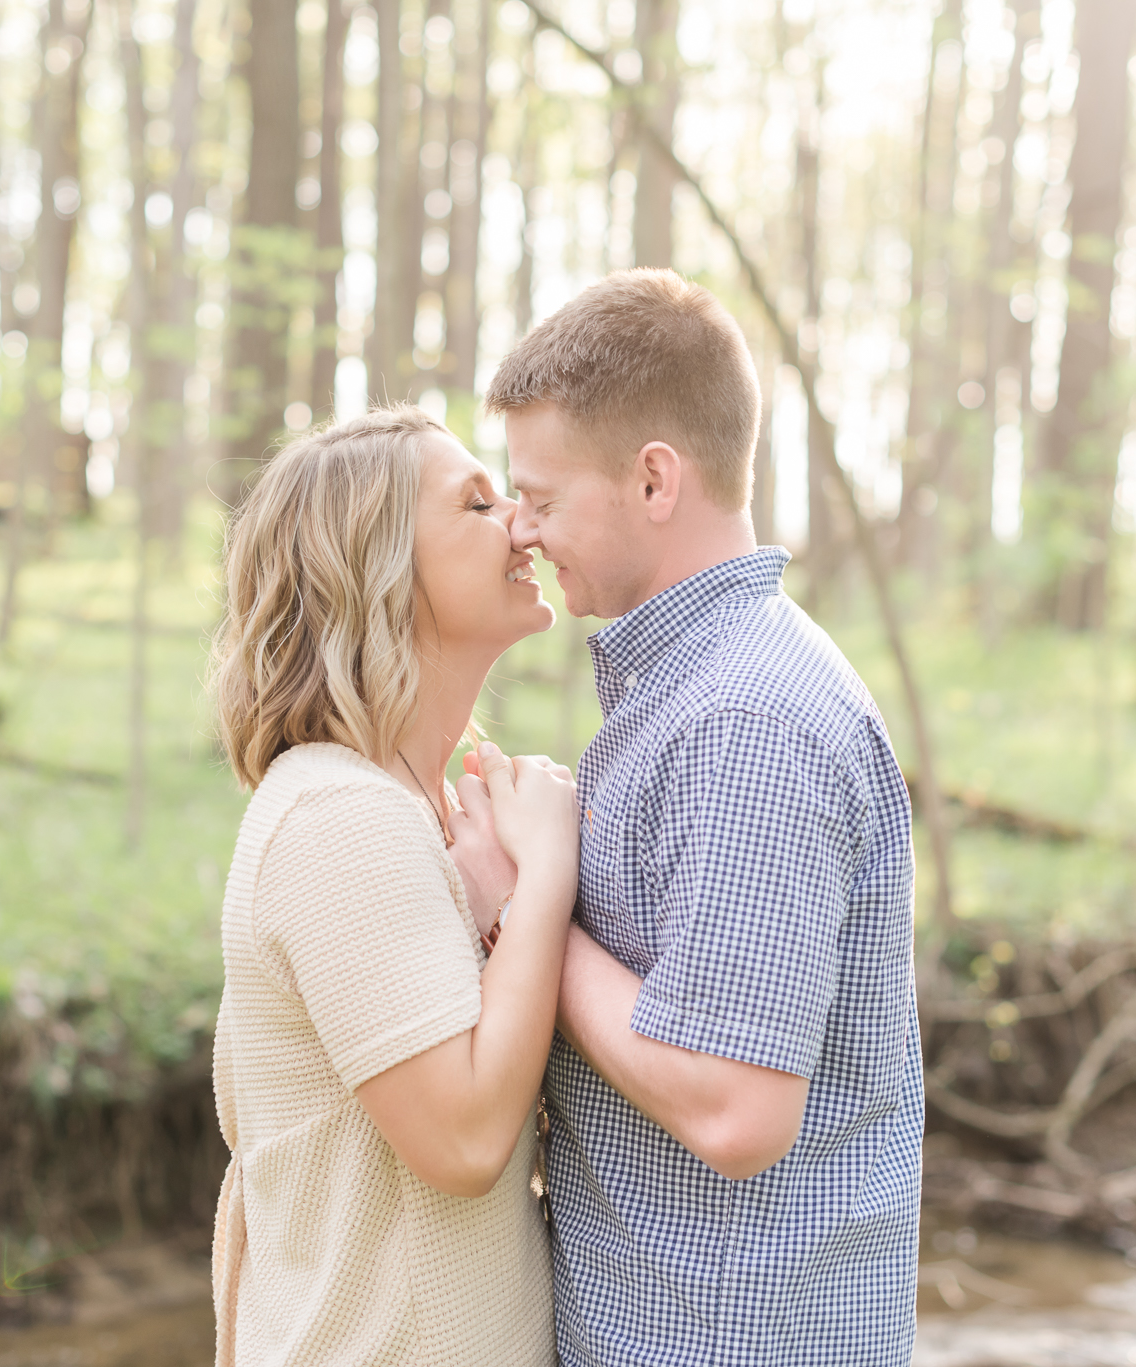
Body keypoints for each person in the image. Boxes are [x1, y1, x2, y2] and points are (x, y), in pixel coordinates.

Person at [485, 269, 925, 1366]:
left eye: (540, 497)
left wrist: (525, 907)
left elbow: (738, 1109)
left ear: (652, 479)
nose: (522, 530)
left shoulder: (745, 720)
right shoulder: (693, 692)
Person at [206, 406, 576, 1366]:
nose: (522, 522)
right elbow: (461, 1140)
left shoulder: (399, 810)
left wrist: (496, 916)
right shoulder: (338, 820)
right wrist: (547, 877)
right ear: (378, 569)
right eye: (476, 504)